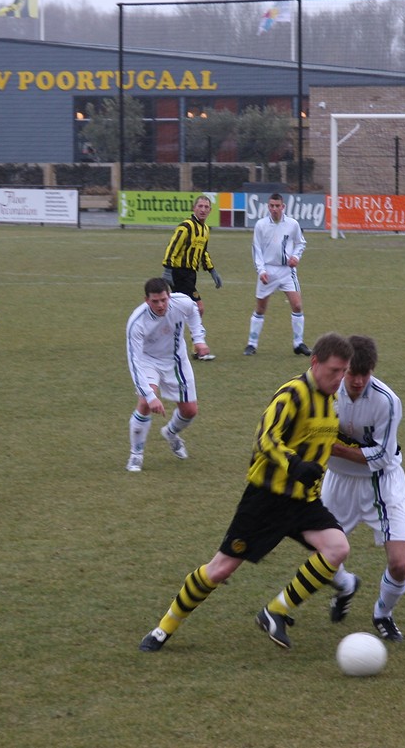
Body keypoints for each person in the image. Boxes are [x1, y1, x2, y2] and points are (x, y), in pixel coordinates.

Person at [139, 333, 354, 653]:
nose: (339, 378)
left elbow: (326, 435)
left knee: (337, 548)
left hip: (303, 501)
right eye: (334, 370)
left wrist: (362, 446)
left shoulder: (330, 399)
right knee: (220, 570)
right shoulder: (292, 394)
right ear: (315, 362)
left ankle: (275, 611)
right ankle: (164, 628)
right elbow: (265, 438)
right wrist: (294, 464)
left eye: (344, 371)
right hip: (266, 499)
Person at [320, 335, 405, 642]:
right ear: (342, 368)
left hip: (382, 482)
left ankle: (383, 613)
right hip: (338, 482)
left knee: (400, 564)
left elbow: (382, 456)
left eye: (365, 374)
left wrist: (333, 447)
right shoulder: (325, 393)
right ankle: (346, 585)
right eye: (352, 373)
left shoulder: (387, 401)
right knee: (322, 555)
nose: (358, 381)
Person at [124, 278, 210, 473]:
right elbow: (134, 362)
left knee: (190, 411)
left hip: (176, 360)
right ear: (147, 300)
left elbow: (194, 311)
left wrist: (199, 339)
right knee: (145, 403)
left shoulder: (182, 302)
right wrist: (151, 396)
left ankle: (170, 432)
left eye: (163, 300)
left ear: (169, 296)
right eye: (155, 301)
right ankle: (136, 455)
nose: (161, 305)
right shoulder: (137, 322)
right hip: (148, 362)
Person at [243, 193, 311, 357]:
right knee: (260, 308)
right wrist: (261, 271)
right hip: (268, 270)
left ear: (283, 207)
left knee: (297, 305)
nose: (274, 209)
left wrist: (296, 257)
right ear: (268, 207)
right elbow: (256, 249)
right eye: (272, 206)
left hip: (287, 271)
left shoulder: (292, 224)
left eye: (277, 206)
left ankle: (298, 343)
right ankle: (252, 344)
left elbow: (300, 243)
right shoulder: (261, 225)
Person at [161, 194, 221, 361]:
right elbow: (172, 246)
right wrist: (167, 270)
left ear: (210, 210)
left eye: (206, 207)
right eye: (200, 206)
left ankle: (173, 343)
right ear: (194, 208)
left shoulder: (205, 229)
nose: (203, 209)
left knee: (178, 310)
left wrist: (212, 270)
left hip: (191, 275)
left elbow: (203, 252)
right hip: (179, 273)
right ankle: (199, 347)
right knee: (197, 307)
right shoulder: (186, 226)